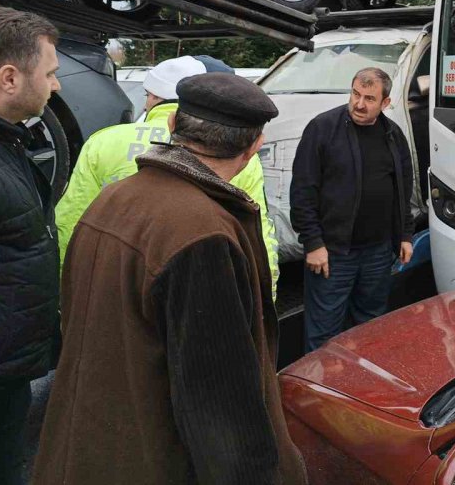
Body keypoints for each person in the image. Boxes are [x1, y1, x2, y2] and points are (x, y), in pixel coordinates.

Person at [33, 73, 307, 485]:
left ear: (173, 126)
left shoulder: (114, 197)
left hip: (90, 443)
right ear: (255, 148)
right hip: (154, 460)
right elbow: (220, 401)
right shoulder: (203, 232)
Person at [55, 54, 280, 298]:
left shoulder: (104, 141)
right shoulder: (239, 155)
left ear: (155, 98)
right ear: (255, 146)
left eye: (147, 95)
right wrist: (264, 302)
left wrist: (68, 289)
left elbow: (71, 222)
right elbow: (257, 236)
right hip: (200, 285)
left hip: (111, 280)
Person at [0, 8, 61, 485]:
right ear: (10, 78)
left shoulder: (3, 142)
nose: (57, 86)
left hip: (2, 373)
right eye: (50, 73)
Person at [290, 66, 414, 352]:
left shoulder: (393, 135)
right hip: (333, 253)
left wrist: (405, 235)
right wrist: (313, 242)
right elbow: (303, 190)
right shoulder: (323, 128)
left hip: (379, 253)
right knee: (324, 334)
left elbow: (402, 191)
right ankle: (319, 392)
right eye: (355, 94)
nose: (359, 104)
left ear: (385, 103)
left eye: (369, 98)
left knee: (369, 328)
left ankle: (358, 389)